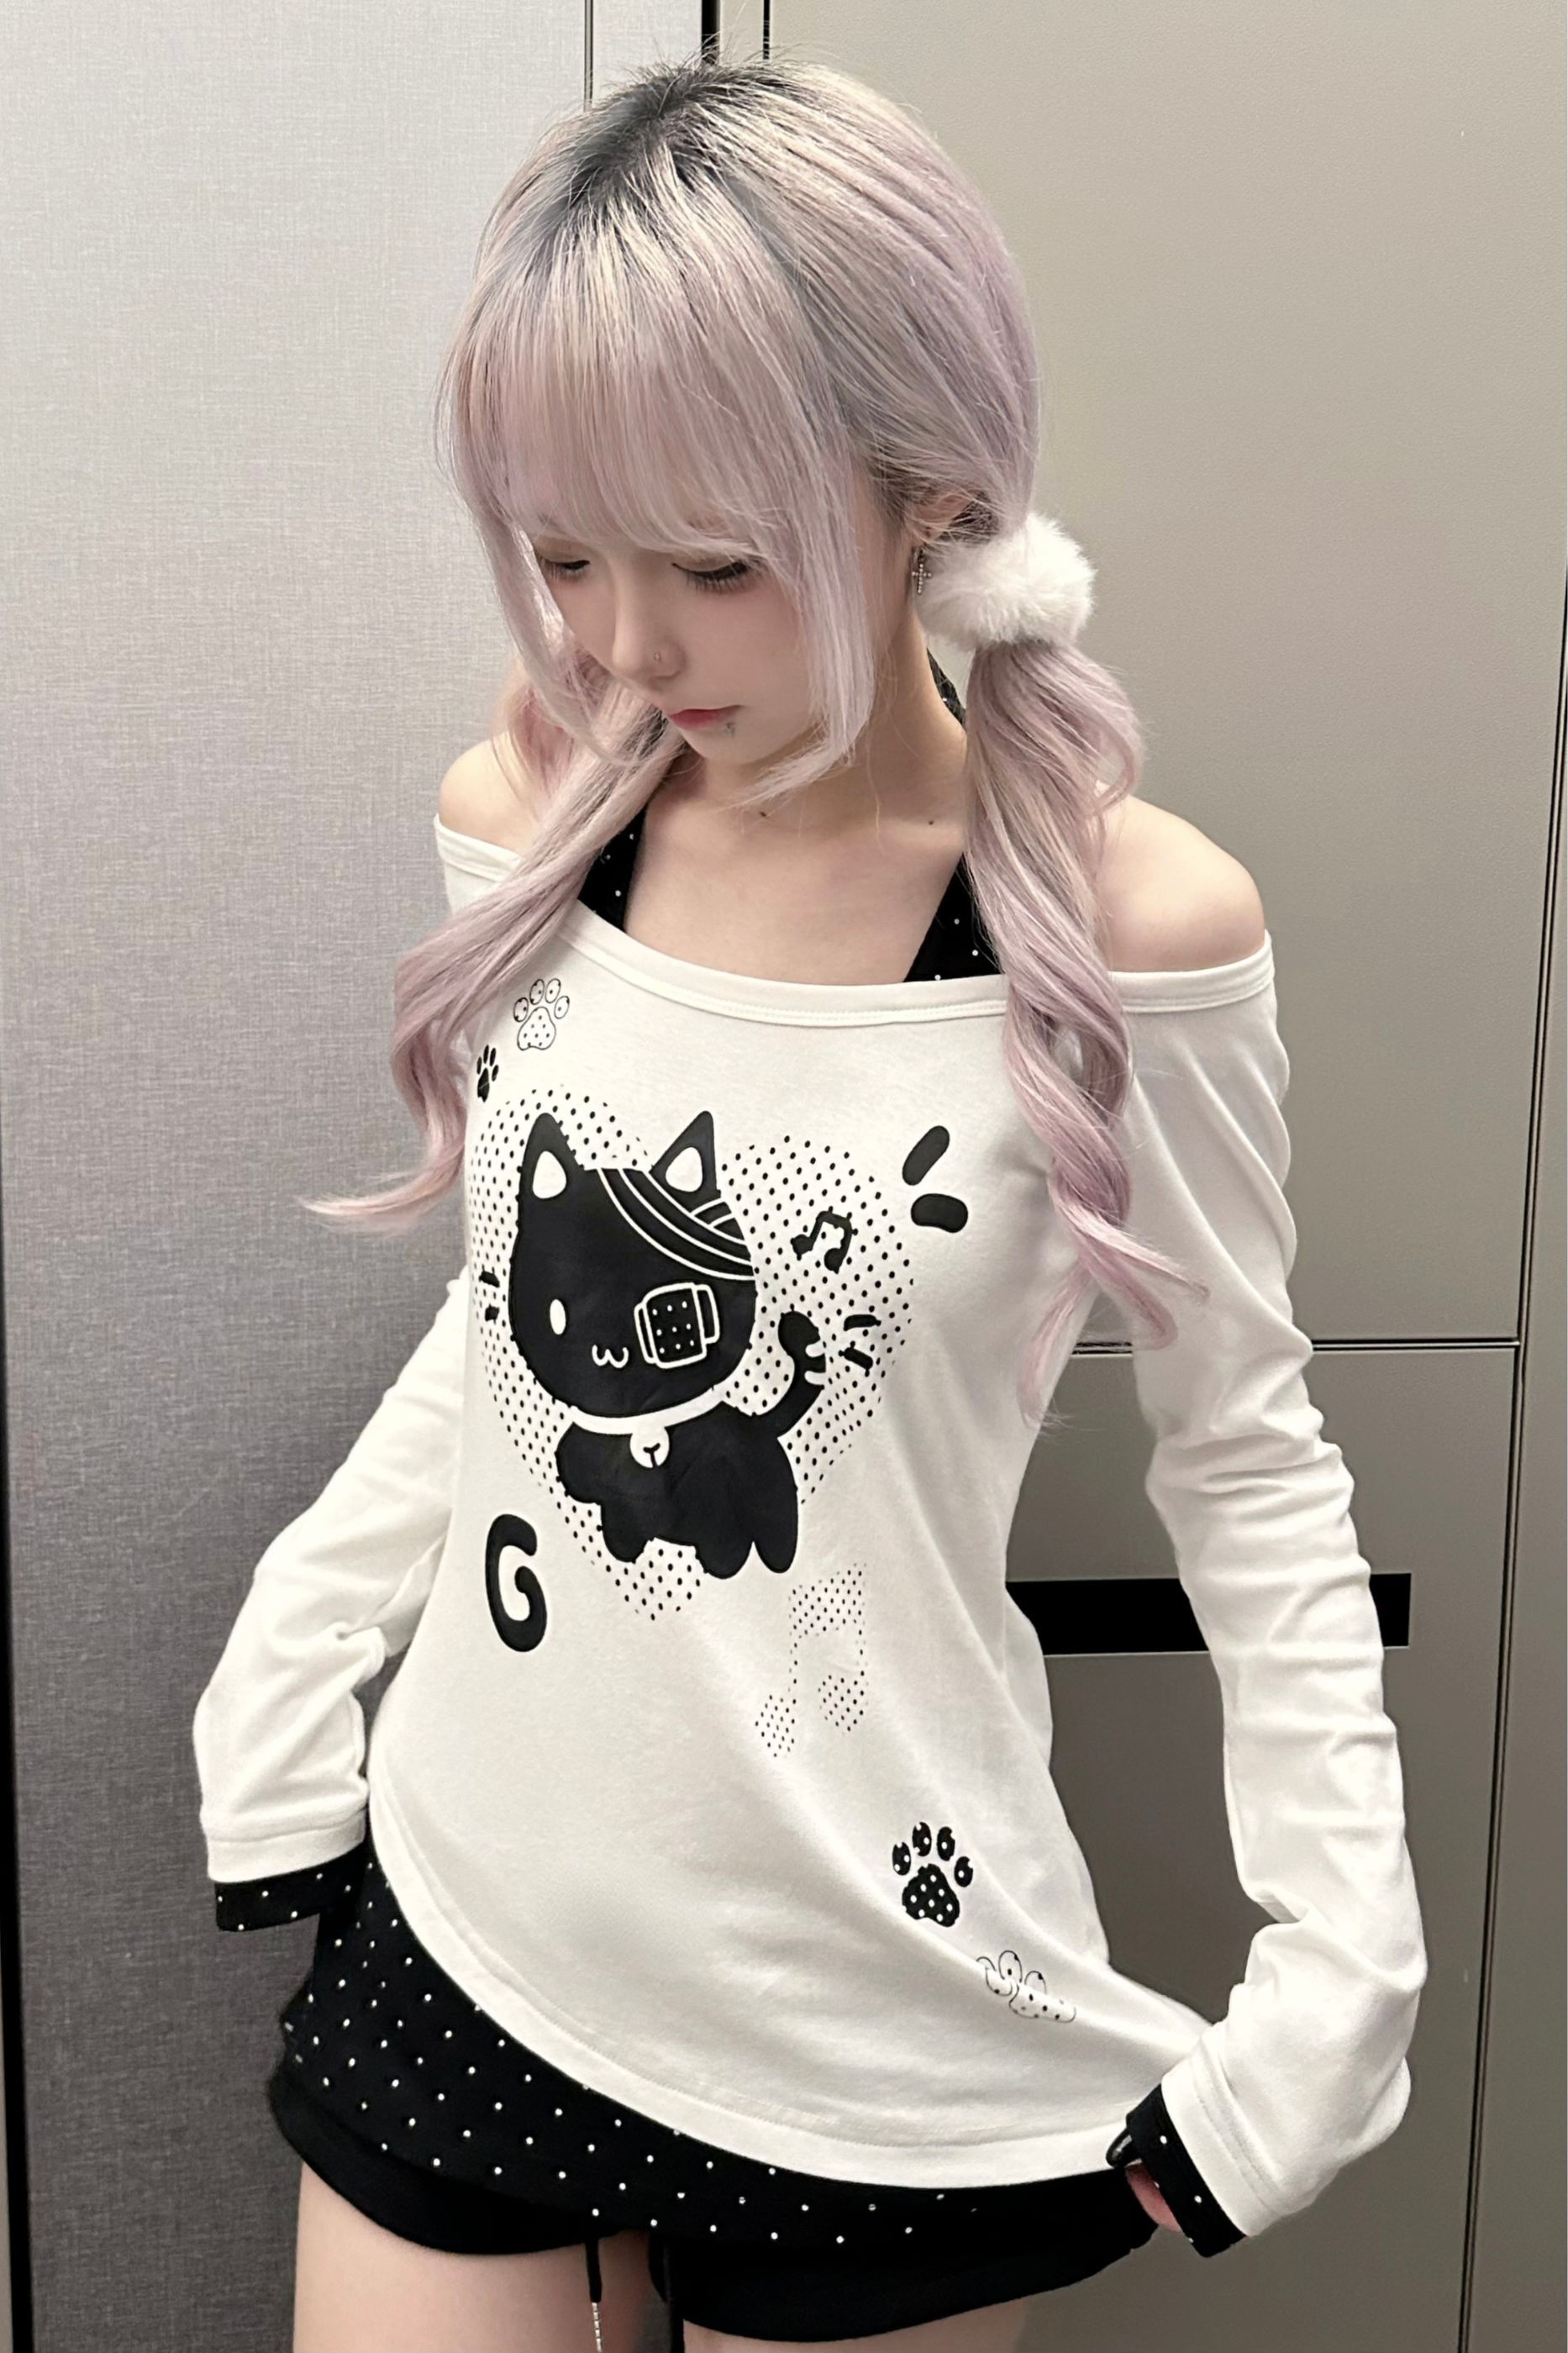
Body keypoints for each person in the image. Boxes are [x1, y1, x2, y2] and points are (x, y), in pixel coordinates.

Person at [192, 51, 1427, 2353]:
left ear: (930, 500)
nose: (621, 650)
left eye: (712, 566)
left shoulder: (1122, 932)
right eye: (563, 555)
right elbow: (514, 1331)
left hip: (879, 2016)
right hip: (476, 1927)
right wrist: (294, 1659)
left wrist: (1340, 1988)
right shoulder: (537, 817)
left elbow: (1250, 1465)